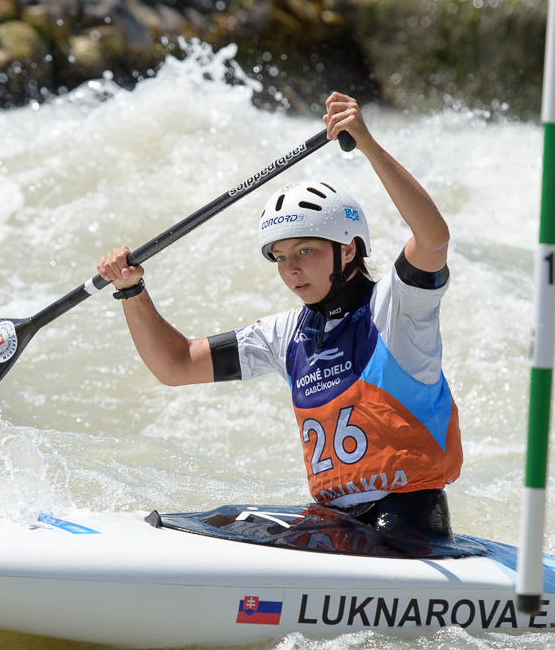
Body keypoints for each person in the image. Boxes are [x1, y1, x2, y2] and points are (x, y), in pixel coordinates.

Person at [95, 92, 463, 545]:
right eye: (281, 257)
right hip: (337, 523)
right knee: (224, 520)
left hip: (406, 525)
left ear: (347, 250)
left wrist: (367, 145)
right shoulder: (286, 335)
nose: (291, 268)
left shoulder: (396, 307)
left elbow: (433, 239)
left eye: (306, 251)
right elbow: (174, 365)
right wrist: (132, 290)